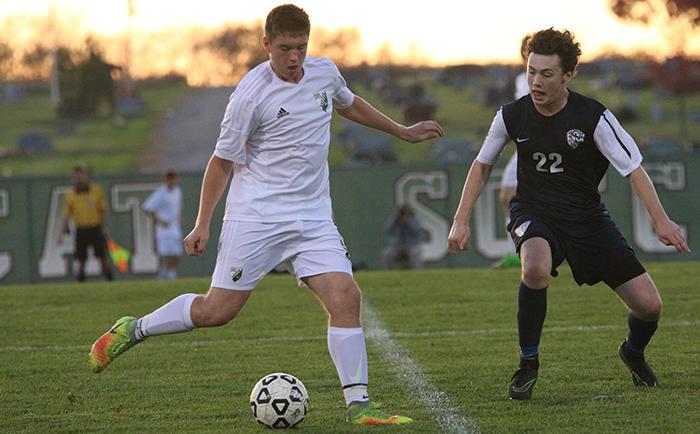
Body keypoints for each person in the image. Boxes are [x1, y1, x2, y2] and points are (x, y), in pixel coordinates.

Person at [87, 4, 443, 426]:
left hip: (312, 218)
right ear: (266, 45)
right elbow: (221, 163)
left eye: (301, 47)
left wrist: (401, 131)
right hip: (256, 218)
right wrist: (202, 222)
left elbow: (348, 104)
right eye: (285, 48)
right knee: (217, 311)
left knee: (346, 297)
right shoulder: (250, 95)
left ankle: (360, 405)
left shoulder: (325, 72)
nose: (294, 58)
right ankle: (135, 327)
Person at [447, 28, 689, 400]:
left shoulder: (593, 117)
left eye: (546, 74)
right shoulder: (511, 115)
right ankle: (528, 364)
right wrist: (460, 219)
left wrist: (661, 220)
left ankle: (633, 352)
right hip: (534, 212)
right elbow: (481, 166)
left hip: (587, 220)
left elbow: (634, 170)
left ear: (568, 75)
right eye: (531, 71)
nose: (536, 82)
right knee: (535, 266)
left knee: (649, 306)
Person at [495, 34, 531, 268]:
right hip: (524, 143)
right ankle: (519, 250)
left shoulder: (538, 78)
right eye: (525, 51)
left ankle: (529, 250)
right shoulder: (521, 78)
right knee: (508, 197)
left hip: (536, 144)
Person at [60, 165, 113, 282]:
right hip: (81, 229)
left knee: (102, 256)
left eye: (81, 176)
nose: (79, 179)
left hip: (95, 228)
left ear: (85, 176)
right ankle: (81, 282)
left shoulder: (96, 190)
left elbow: (102, 210)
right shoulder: (70, 195)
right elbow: (66, 214)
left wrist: (104, 227)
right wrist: (62, 232)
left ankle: (109, 279)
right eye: (76, 177)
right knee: (81, 258)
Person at [142, 169, 183, 280]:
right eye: (169, 178)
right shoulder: (160, 193)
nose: (171, 181)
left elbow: (179, 207)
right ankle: (169, 274)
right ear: (165, 180)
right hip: (164, 228)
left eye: (173, 178)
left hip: (174, 226)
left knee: (177, 253)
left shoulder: (177, 191)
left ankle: (166, 272)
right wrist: (159, 221)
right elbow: (147, 207)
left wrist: (180, 219)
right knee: (168, 253)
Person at [383, 204, 423, 269]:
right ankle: (390, 273)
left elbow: (417, 232)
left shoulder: (414, 219)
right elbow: (387, 229)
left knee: (415, 254)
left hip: (412, 245)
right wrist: (395, 220)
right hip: (397, 245)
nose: (403, 216)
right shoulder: (395, 220)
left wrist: (408, 222)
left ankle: (417, 273)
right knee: (387, 254)